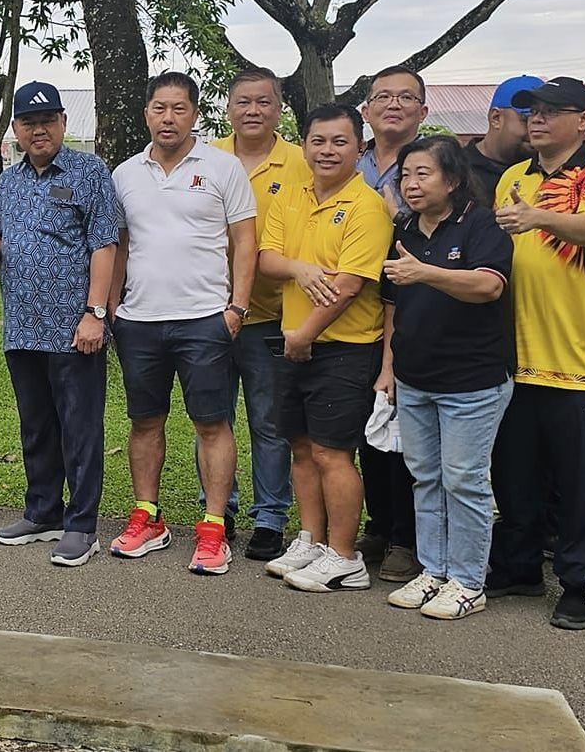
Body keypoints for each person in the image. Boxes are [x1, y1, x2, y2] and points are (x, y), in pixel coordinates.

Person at [487, 77, 585, 631]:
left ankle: (579, 580)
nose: (537, 119)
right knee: (514, 472)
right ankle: (518, 565)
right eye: (532, 111)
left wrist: (538, 217)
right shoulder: (512, 178)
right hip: (515, 356)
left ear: (584, 119)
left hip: (581, 361)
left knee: (577, 481)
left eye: (551, 111)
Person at [108, 71, 256, 576]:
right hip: (139, 320)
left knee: (211, 423)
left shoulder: (223, 167)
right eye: (158, 108)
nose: (167, 118)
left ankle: (214, 528)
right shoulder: (125, 173)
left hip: (204, 320)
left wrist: (236, 307)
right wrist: (110, 310)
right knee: (144, 421)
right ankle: (148, 518)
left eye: (178, 108)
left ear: (195, 113)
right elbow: (119, 247)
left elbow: (245, 242)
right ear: (146, 113)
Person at [0, 82, 118, 567]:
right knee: (36, 426)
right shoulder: (9, 181)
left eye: (48, 120)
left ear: (62, 124)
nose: (39, 130)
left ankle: (82, 525)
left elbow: (105, 245)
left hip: (74, 328)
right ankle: (43, 512)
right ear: (16, 129)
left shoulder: (88, 172)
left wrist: (95, 313)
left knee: (79, 428)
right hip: (22, 326)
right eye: (29, 122)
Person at [378, 136, 513, 620]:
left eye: (423, 174)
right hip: (415, 378)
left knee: (464, 481)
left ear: (452, 179)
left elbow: (488, 286)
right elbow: (393, 303)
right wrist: (389, 368)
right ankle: (433, 572)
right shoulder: (405, 229)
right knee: (426, 479)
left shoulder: (481, 224)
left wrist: (427, 272)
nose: (411, 184)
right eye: (406, 175)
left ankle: (468, 582)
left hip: (472, 382)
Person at [257, 103, 390, 593]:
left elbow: (350, 285)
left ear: (359, 147)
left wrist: (303, 335)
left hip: (342, 348)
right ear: (305, 145)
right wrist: (299, 268)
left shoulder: (367, 206)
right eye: (318, 141)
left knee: (333, 453)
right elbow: (267, 257)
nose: (327, 150)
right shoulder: (291, 195)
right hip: (294, 343)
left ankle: (344, 555)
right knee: (300, 448)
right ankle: (311, 539)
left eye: (340, 142)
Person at [211, 68, 310, 560]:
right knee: (214, 418)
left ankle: (270, 516)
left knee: (270, 423)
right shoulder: (206, 155)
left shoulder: (300, 161)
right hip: (207, 313)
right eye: (243, 102)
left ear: (279, 108)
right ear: (228, 107)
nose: (253, 111)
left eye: (264, 102)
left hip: (271, 314)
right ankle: (219, 511)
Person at [355, 65, 426, 582]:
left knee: (409, 433)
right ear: (367, 110)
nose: (393, 104)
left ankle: (408, 536)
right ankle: (379, 526)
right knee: (369, 429)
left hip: (416, 311)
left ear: (423, 111)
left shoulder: (435, 165)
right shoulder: (345, 160)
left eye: (406, 97)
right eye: (383, 96)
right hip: (352, 315)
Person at [464, 76, 542, 206]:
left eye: (545, 119)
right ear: (496, 118)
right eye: (527, 119)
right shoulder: (455, 169)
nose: (536, 129)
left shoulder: (551, 172)